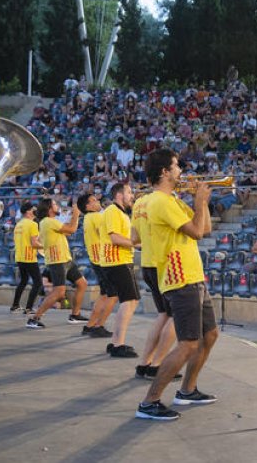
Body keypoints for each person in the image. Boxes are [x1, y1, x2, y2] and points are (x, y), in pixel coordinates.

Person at [137, 148, 217, 421]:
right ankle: (150, 401)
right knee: (187, 344)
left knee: (210, 335)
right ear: (164, 172)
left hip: (191, 276)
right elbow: (196, 231)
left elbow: (204, 229)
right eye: (176, 166)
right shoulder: (162, 202)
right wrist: (198, 202)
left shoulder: (160, 200)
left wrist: (202, 203)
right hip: (180, 278)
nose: (181, 171)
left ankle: (187, 390)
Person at [133, 187, 178, 381]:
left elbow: (135, 239)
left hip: (148, 262)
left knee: (164, 314)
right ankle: (157, 365)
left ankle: (145, 363)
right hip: (164, 263)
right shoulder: (164, 201)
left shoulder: (138, 203)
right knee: (177, 315)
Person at [26, 197, 86, 329]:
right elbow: (72, 230)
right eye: (54, 204)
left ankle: (75, 315)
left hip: (65, 259)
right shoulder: (47, 221)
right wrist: (76, 214)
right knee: (59, 292)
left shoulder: (51, 221)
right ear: (49, 209)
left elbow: (68, 232)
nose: (57, 206)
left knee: (82, 284)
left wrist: (71, 218)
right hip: (57, 260)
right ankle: (35, 318)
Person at [101, 183, 140, 358]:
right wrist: (140, 244)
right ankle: (118, 344)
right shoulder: (112, 211)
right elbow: (115, 238)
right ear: (119, 195)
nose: (132, 195)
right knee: (129, 300)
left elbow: (127, 238)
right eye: (129, 192)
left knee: (131, 301)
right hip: (116, 261)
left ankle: (116, 341)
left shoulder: (122, 213)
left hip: (122, 260)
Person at [78, 192, 115, 338]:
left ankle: (90, 325)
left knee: (105, 294)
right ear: (88, 206)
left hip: (96, 259)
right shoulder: (97, 217)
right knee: (113, 294)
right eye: (93, 200)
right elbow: (108, 234)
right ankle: (99, 326)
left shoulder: (88, 218)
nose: (97, 201)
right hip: (103, 259)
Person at [10, 201, 43, 314]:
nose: (35, 210)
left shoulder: (18, 224)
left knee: (23, 281)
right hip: (29, 257)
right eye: (33, 209)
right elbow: (34, 243)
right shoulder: (33, 224)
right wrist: (46, 246)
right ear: (29, 211)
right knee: (38, 282)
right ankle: (29, 308)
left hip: (19, 257)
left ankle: (15, 305)